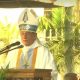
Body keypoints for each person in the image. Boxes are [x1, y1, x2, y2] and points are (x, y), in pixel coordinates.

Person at [3, 8, 58, 80]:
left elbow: (53, 74)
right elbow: (4, 72)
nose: (24, 36)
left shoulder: (44, 52)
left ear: (35, 35)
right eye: (22, 33)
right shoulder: (13, 51)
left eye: (27, 33)